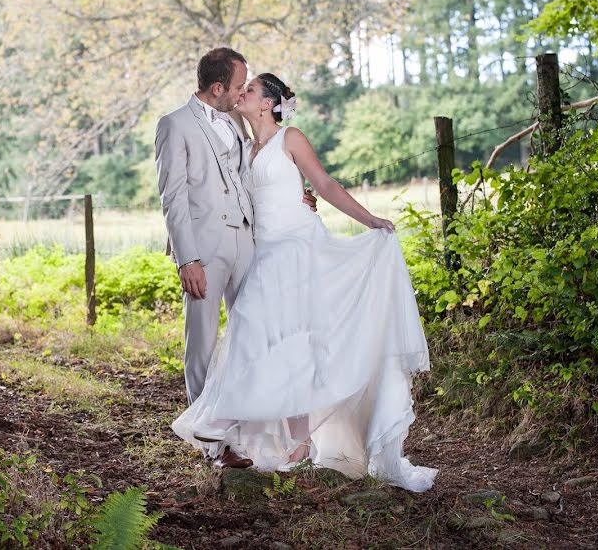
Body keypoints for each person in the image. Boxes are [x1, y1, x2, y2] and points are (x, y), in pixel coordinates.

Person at [170, 73, 438, 491]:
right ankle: (299, 443)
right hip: (263, 250)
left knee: (258, 330)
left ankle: (221, 420)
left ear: (269, 104)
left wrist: (369, 219)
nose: (243, 93)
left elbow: (325, 183)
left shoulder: (290, 138)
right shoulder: (243, 144)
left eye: (252, 90)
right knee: (284, 339)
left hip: (296, 247)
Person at [155, 49, 315, 469]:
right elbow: (172, 197)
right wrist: (186, 258)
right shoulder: (174, 125)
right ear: (217, 88)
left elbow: (257, 175)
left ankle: (246, 435)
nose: (244, 90)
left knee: (252, 338)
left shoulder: (235, 122)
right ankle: (213, 446)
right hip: (204, 250)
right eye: (239, 84)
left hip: (250, 244)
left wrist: (296, 197)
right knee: (204, 343)